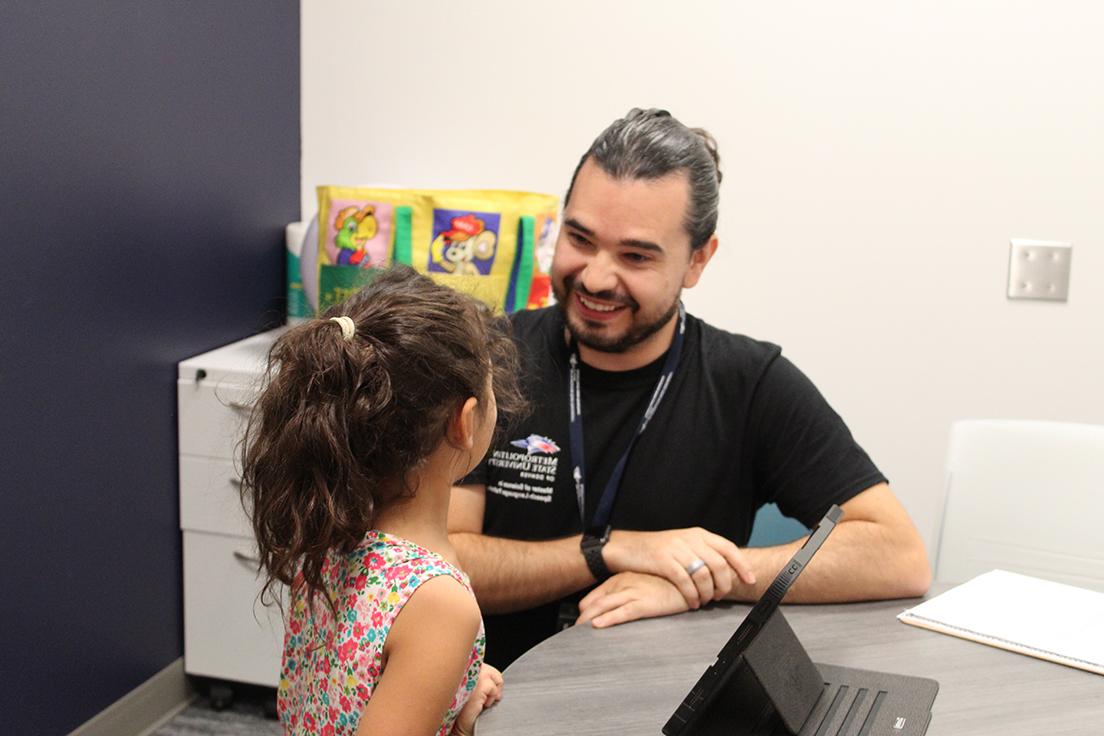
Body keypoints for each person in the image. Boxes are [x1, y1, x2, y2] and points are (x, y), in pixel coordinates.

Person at [448, 108, 932, 668]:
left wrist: (704, 580)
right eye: (580, 238)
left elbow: (898, 554)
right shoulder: (488, 358)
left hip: (674, 703)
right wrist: (609, 552)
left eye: (635, 256)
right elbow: (444, 561)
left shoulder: (749, 382)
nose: (597, 277)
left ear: (698, 260)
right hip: (494, 701)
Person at [240, 266, 526, 735]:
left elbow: (355, 687)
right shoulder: (438, 602)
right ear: (465, 421)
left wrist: (445, 695)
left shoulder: (332, 530)